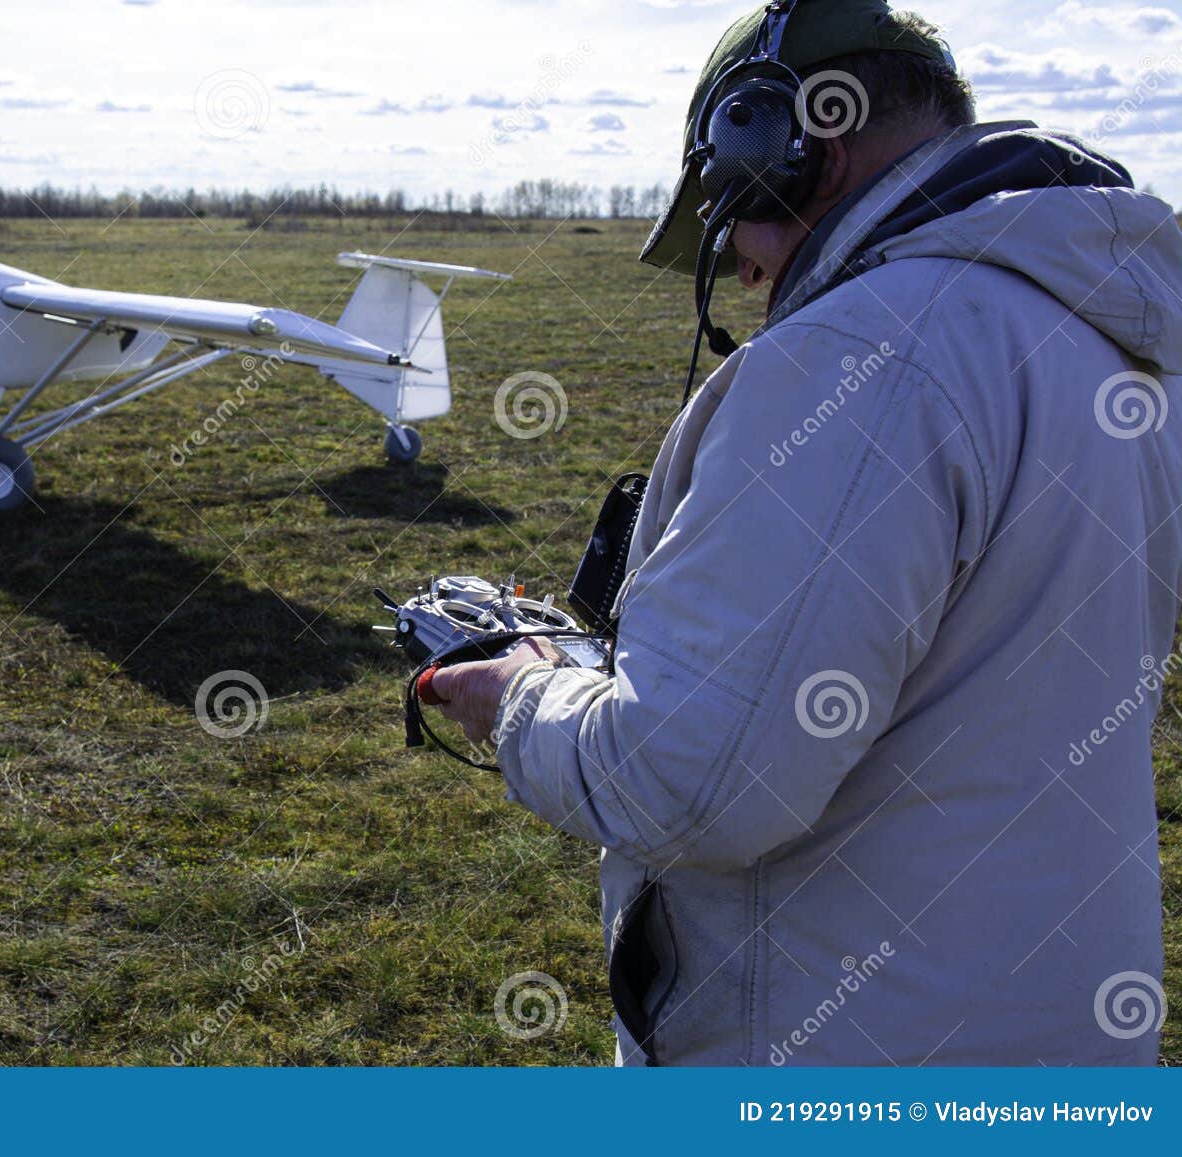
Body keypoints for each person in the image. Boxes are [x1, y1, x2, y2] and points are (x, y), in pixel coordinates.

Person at [429, 0, 1182, 1065]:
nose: (737, 262)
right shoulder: (1107, 344)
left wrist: (519, 697)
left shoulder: (860, 363)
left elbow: (691, 783)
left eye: (728, 208)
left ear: (782, 143)